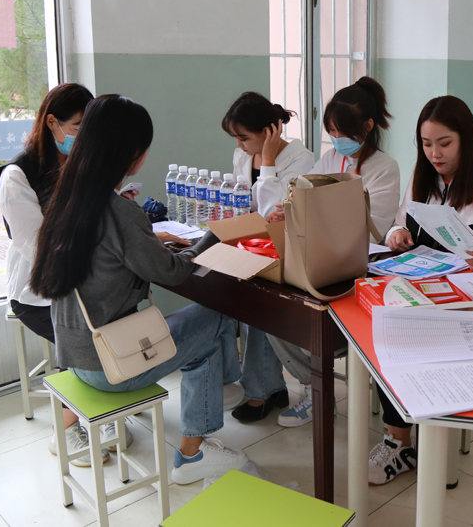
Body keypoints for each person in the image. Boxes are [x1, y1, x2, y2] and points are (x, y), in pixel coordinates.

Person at [29, 94, 252, 485]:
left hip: (74, 354)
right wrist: (213, 236)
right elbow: (172, 272)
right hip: (111, 364)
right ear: (134, 154)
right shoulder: (117, 211)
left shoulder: (66, 197)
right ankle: (194, 452)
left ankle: (217, 392)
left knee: (200, 333)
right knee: (215, 318)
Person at [370, 95, 473, 485]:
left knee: (411, 339)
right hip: (422, 293)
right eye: (426, 144)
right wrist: (397, 234)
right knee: (385, 333)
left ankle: (423, 437)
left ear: (466, 139)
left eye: (444, 143)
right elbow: (397, 223)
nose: (435, 154)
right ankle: (400, 441)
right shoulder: (422, 179)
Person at [266, 77, 401, 428]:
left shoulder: (384, 168)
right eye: (332, 132)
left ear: (367, 127)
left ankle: (323, 378)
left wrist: (319, 212)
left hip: (357, 269)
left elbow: (373, 229)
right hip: (319, 260)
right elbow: (301, 195)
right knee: (271, 311)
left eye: (342, 132)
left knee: (313, 321)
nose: (337, 139)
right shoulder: (329, 159)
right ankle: (313, 388)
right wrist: (287, 210)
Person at [0, 83, 109, 466]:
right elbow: (37, 248)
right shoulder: (17, 176)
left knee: (116, 324)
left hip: (83, 282)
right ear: (52, 123)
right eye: (77, 127)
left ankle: (105, 411)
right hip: (39, 291)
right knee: (85, 342)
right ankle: (66, 429)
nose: (83, 137)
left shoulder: (79, 163)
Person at [220, 92, 315, 422]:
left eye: (244, 137)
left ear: (269, 132)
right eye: (235, 138)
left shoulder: (300, 160)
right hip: (253, 244)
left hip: (289, 251)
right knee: (221, 290)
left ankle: (263, 389)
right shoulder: (243, 155)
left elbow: (274, 213)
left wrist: (270, 162)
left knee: (259, 301)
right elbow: (243, 203)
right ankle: (262, 385)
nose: (239, 145)